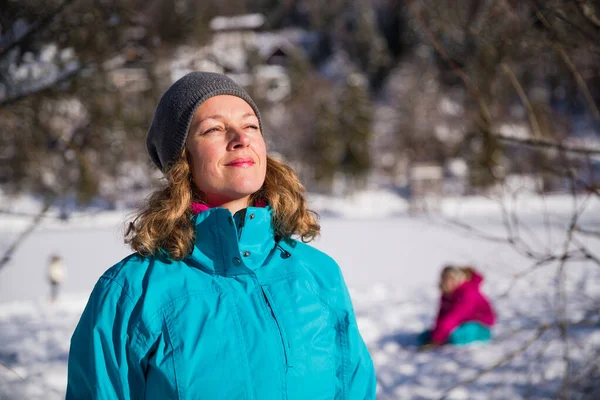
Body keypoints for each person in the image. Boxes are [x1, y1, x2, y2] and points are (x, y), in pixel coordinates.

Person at [66, 72, 376, 399]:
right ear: (181, 160)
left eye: (251, 126)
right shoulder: (130, 294)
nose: (241, 138)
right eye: (214, 128)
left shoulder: (318, 273)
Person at [418, 265, 496, 348]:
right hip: (460, 324)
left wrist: (437, 338)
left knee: (456, 337)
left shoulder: (468, 292)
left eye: (451, 279)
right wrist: (436, 334)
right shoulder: (447, 294)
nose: (448, 282)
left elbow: (456, 315)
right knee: (424, 336)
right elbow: (442, 315)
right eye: (445, 279)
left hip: (480, 326)